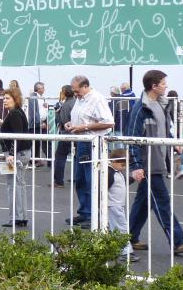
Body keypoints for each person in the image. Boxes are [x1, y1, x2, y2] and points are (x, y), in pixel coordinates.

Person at [125, 69, 183, 257]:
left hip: (158, 162)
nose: (166, 86)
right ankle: (178, 241)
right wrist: (136, 166)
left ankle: (129, 236)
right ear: (154, 86)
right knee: (162, 201)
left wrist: (174, 144)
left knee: (143, 203)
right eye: (163, 83)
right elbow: (132, 138)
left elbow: (163, 131)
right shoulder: (140, 108)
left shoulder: (161, 105)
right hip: (148, 165)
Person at [64, 76, 114, 228]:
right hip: (82, 142)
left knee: (92, 180)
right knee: (80, 180)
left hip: (93, 143)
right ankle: (85, 212)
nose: (75, 94)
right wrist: (71, 124)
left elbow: (109, 122)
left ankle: (95, 216)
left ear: (85, 87)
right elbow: (82, 118)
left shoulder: (97, 99)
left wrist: (83, 127)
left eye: (77, 91)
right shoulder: (81, 99)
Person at [0, 88, 31, 227]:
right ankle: (20, 217)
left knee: (13, 185)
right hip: (20, 153)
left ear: (15, 99)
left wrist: (11, 154)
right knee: (19, 185)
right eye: (4, 98)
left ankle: (17, 217)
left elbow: (17, 136)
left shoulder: (15, 114)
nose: (4, 100)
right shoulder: (15, 113)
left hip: (17, 154)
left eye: (7, 98)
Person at [106, 149, 134, 262]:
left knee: (112, 228)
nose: (123, 168)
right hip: (113, 205)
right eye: (122, 165)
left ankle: (112, 249)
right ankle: (126, 251)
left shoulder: (117, 172)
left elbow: (123, 182)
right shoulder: (109, 173)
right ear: (114, 161)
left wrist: (133, 178)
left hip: (116, 205)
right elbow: (102, 189)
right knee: (121, 227)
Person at [52, 85, 76, 187]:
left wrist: (57, 113)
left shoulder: (66, 105)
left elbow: (63, 121)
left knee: (60, 156)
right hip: (77, 133)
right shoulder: (76, 102)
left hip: (67, 134)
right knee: (77, 156)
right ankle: (77, 178)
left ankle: (58, 181)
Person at [27, 82, 50, 166]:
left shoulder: (41, 98)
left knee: (40, 143)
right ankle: (34, 160)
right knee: (35, 143)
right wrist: (38, 123)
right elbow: (33, 112)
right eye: (42, 88)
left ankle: (36, 160)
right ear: (38, 89)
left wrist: (45, 122)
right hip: (36, 124)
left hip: (42, 123)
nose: (44, 89)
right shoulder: (33, 97)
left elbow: (41, 110)